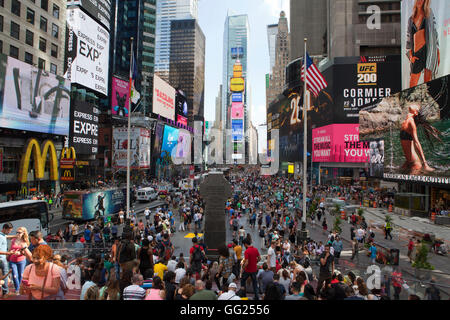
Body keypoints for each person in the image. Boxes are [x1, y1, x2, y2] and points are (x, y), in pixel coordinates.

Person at [406, 0, 440, 89]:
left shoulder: (429, 14)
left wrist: (437, 51)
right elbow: (408, 39)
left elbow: (435, 33)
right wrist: (410, 57)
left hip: (429, 52)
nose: (420, 1)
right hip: (417, 53)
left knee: (428, 83)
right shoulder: (411, 19)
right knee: (412, 84)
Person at [400, 104, 441, 174]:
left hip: (414, 162)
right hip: (410, 160)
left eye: (417, 107)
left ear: (415, 112)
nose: (416, 105)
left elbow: (417, 143)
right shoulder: (407, 121)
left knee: (414, 182)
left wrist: (425, 164)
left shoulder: (411, 123)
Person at [0, 223, 14, 297]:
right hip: (1, 259)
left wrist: (16, 236)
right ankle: (5, 292)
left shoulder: (3, 235)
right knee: (4, 275)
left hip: (2, 259)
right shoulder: (0, 236)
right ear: (5, 229)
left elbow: (7, 236)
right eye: (9, 230)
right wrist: (8, 253)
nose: (10, 232)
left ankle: (5, 291)